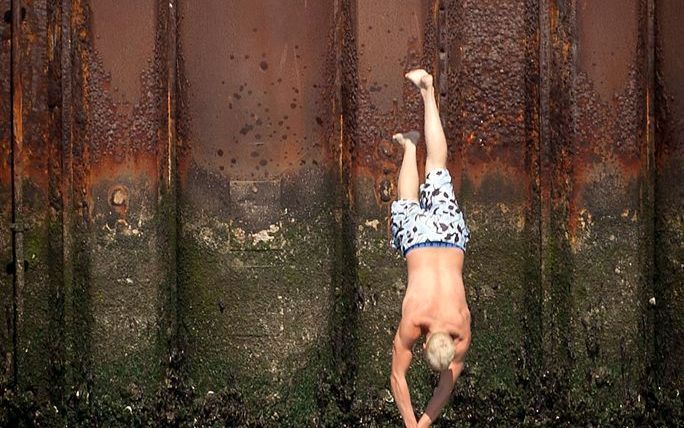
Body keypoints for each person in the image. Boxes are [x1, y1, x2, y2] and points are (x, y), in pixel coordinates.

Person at [389, 69, 472, 428]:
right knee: (407, 200)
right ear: (427, 346)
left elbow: (417, 380)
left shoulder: (462, 328)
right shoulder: (415, 321)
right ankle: (408, 146)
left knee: (437, 166)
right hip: (419, 242)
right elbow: (401, 379)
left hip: (450, 237)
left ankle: (427, 92)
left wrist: (417, 425)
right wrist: (414, 424)